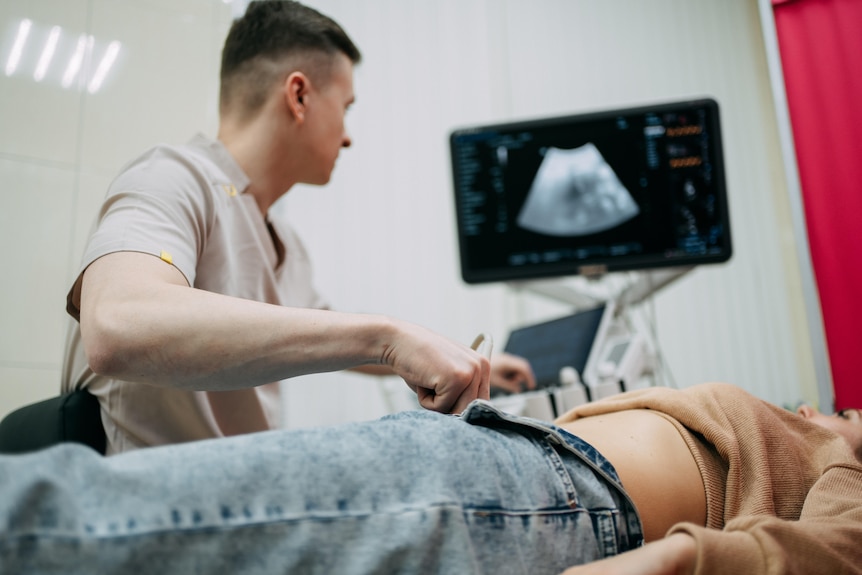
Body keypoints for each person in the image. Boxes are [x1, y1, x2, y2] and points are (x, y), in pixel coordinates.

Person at [61, 0, 534, 454]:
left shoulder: (284, 242)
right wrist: (387, 337)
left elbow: (328, 334)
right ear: (299, 95)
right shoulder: (172, 177)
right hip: (148, 512)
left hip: (240, 495)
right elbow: (116, 324)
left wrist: (447, 353)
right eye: (345, 106)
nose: (348, 135)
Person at [1, 381, 860, 574]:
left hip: (531, 494)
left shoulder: (852, 456)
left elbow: (818, 555)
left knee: (95, 523)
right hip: (513, 482)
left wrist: (674, 563)